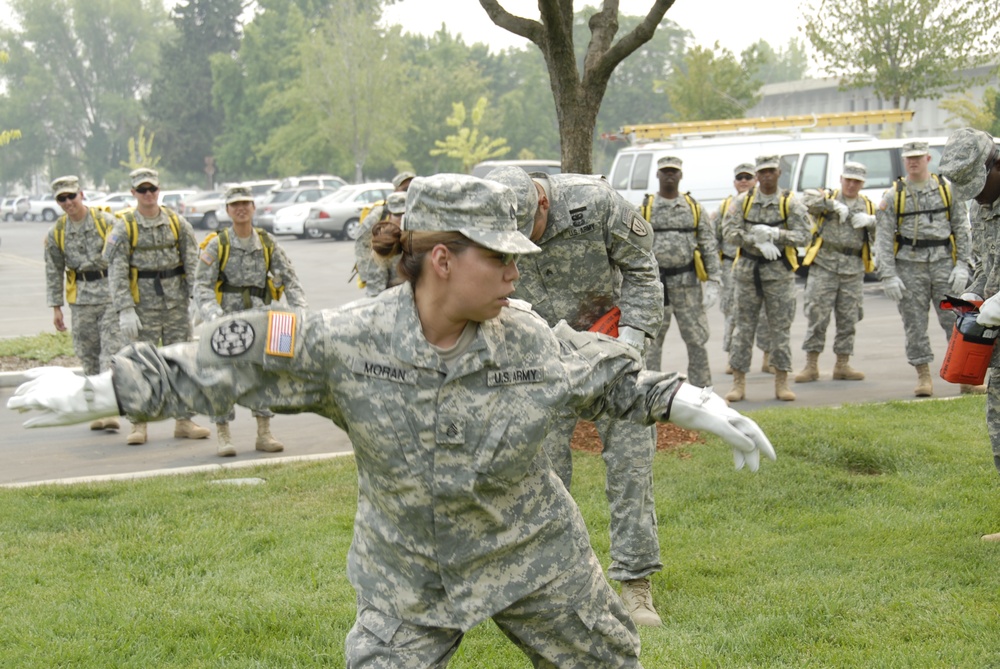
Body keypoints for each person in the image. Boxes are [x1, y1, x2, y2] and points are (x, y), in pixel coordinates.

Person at [9, 173, 776, 668]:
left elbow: (606, 371)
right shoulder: (349, 342)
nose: (516, 272)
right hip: (410, 572)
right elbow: (225, 360)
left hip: (533, 554)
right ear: (441, 257)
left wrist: (691, 400)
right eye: (498, 257)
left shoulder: (529, 337)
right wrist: (104, 389)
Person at [485, 166, 666, 627]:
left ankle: (635, 584)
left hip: (611, 347)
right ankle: (557, 583)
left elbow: (643, 273)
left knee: (631, 466)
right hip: (543, 360)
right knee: (543, 474)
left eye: (530, 232)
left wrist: (629, 345)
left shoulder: (596, 202)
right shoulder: (489, 221)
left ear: (542, 203)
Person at [193, 185, 309, 457]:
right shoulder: (218, 244)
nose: (241, 208)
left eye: (246, 203)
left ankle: (264, 432)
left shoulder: (267, 242)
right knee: (223, 378)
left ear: (254, 208)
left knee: (262, 373)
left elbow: (291, 279)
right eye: (235, 205)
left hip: (260, 318)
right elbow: (201, 285)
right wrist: (213, 314)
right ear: (227, 211)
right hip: (227, 321)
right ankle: (223, 434)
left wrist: (301, 311)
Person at [103, 167, 211, 445]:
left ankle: (184, 420)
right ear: (133, 193)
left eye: (152, 189)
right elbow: (116, 272)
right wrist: (124, 309)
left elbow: (192, 264)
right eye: (142, 190)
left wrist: (196, 300)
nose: (148, 194)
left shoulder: (177, 223)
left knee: (182, 364)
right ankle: (139, 424)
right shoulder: (124, 226)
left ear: (158, 190)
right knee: (140, 366)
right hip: (142, 309)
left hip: (175, 305)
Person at [875, 141, 973, 397]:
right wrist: (888, 275)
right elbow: (883, 238)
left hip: (944, 266)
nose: (913, 162)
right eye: (909, 158)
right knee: (915, 325)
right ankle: (923, 377)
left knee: (956, 322)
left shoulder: (947, 190)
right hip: (909, 267)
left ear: (929, 158)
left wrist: (963, 264)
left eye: (918, 157)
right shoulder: (893, 195)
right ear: (904, 160)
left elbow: (962, 228)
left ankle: (964, 377)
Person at [722, 155, 810, 402]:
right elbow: (729, 233)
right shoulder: (743, 202)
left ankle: (782, 381)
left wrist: (776, 234)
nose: (767, 175)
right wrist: (755, 240)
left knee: (780, 329)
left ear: (779, 172)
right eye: (763, 172)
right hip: (748, 274)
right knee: (743, 329)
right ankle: (738, 382)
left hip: (779, 274)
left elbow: (805, 236)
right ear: (757, 176)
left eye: (771, 171)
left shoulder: (790, 203)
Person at [939, 129, 1000, 487]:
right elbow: (984, 266)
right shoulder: (982, 207)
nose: (975, 194)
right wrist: (975, 296)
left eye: (978, 183)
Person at [43, 175, 122, 433]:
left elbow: (123, 259)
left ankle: (111, 410)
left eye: (71, 197)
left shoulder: (105, 222)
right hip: (80, 300)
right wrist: (56, 307)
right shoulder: (57, 232)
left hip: (109, 295)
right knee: (87, 355)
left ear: (82, 194)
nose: (68, 203)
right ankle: (96, 409)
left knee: (109, 354)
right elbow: (53, 270)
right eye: (61, 199)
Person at [640, 156, 721, 387]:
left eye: (674, 171)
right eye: (665, 171)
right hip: (656, 287)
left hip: (688, 287)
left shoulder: (693, 209)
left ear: (681, 175)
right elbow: (634, 248)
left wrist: (714, 281)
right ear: (657, 175)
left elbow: (708, 244)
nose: (669, 175)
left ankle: (702, 390)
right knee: (651, 342)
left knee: (696, 340)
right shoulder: (645, 209)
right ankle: (650, 391)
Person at [794, 162, 876, 383]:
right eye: (848, 179)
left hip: (853, 268)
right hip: (825, 266)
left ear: (862, 184)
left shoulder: (867, 205)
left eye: (856, 181)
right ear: (841, 179)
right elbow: (803, 202)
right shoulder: (828, 197)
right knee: (817, 316)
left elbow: (884, 233)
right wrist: (831, 205)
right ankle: (811, 364)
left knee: (848, 318)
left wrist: (872, 222)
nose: (851, 184)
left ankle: (842, 364)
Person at [715, 163, 774, 376]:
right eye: (739, 177)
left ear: (755, 180)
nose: (743, 181)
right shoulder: (726, 207)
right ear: (734, 182)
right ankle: (733, 359)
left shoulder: (763, 204)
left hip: (761, 264)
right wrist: (714, 273)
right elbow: (714, 239)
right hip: (732, 266)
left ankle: (769, 357)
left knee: (767, 314)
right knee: (733, 313)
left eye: (748, 177)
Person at [354, 171, 415, 296]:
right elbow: (361, 240)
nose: (407, 191)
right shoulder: (381, 212)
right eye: (404, 188)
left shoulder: (418, 209)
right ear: (396, 189)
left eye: (411, 187)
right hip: (383, 265)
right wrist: (366, 274)